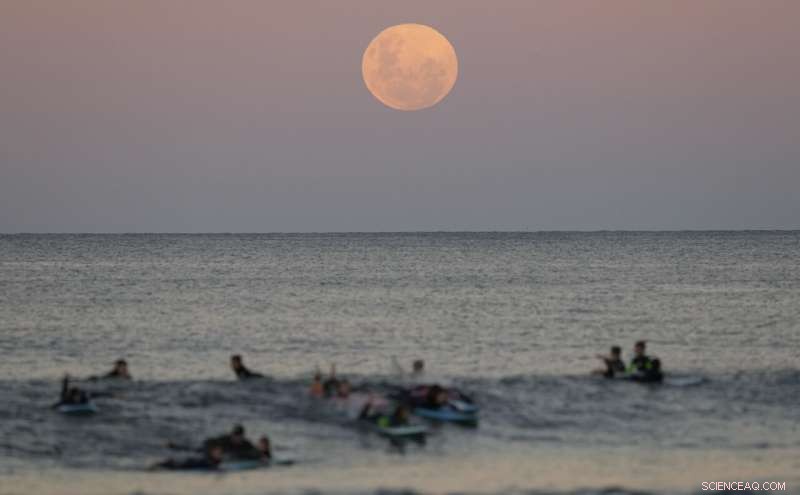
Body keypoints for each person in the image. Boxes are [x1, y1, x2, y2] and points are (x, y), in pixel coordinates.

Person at [153, 445, 223, 471]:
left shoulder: (214, 462)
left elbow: (214, 466)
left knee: (171, 465)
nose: (218, 454)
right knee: (170, 464)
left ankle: (158, 465)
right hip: (187, 464)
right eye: (216, 452)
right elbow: (189, 449)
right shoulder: (207, 455)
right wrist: (174, 446)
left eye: (219, 453)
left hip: (188, 465)